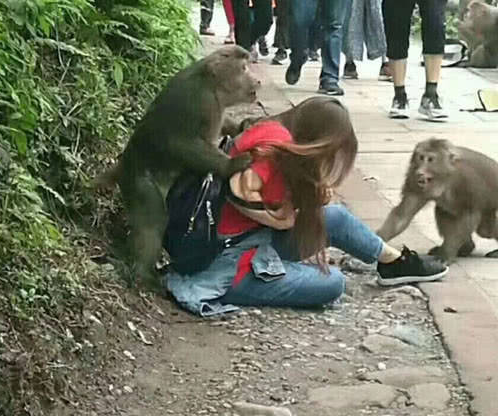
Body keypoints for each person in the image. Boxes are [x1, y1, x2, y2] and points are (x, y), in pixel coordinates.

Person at [165, 96, 448, 316]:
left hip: (245, 241)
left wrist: (307, 197)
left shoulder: (274, 131)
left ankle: (393, 263)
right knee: (332, 283)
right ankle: (264, 279)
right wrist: (283, 220)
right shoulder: (274, 151)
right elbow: (240, 189)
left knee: (334, 217)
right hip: (224, 265)